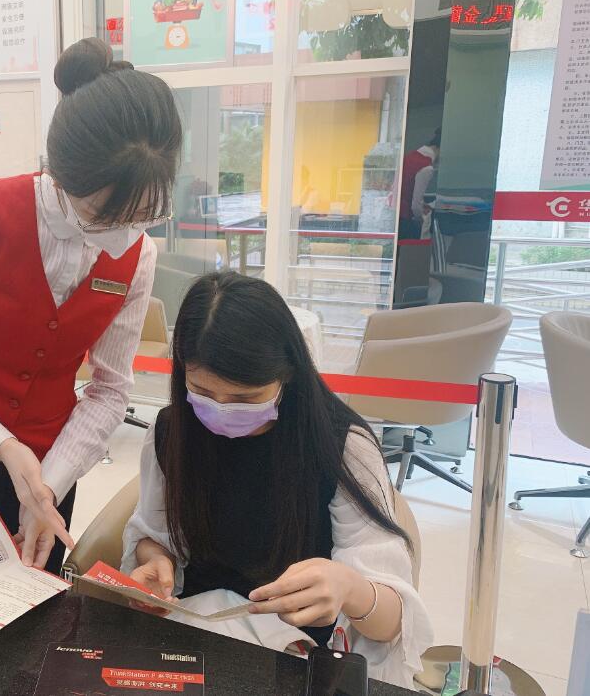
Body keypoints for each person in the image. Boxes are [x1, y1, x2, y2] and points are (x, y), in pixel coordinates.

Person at [0, 37, 183, 574]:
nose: (123, 233)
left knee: (37, 613)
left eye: (142, 215)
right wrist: (1, 444)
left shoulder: (138, 256)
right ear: (63, 176)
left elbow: (110, 389)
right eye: (104, 214)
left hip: (50, 474)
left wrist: (50, 482)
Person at [121, 272, 433, 687]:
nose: (221, 410)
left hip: (298, 654)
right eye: (203, 392)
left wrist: (350, 588)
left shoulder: (340, 446)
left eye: (246, 398)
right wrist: (155, 562)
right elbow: (153, 533)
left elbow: (393, 625)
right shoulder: (171, 432)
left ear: (287, 375)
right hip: (197, 635)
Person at [398, 128, 441, 240]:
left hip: (397, 215)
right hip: (405, 220)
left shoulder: (410, 156)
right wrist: (422, 218)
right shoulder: (426, 167)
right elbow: (416, 205)